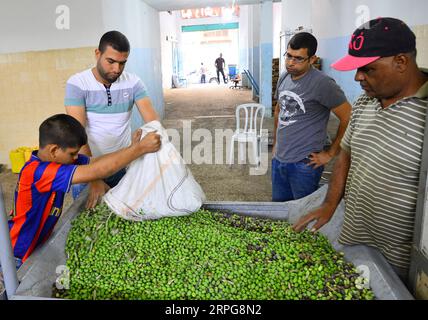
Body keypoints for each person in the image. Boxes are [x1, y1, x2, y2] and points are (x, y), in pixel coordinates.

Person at [293, 17, 428, 281]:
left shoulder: (424, 112)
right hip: (357, 239)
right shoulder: (367, 101)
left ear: (401, 62)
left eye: (367, 69)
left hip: (401, 262)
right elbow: (347, 152)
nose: (357, 77)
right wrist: (330, 203)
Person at [8, 114, 161, 265]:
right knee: (17, 286)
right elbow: (99, 170)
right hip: (19, 250)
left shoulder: (60, 161)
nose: (76, 158)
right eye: (72, 153)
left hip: (38, 240)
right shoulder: (39, 172)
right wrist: (140, 149)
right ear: (54, 150)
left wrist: (131, 149)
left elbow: (96, 161)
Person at [65, 30, 159, 209]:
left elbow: (153, 122)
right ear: (97, 54)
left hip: (122, 167)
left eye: (122, 63)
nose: (117, 69)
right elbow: (76, 136)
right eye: (111, 61)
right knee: (91, 227)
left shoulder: (133, 83)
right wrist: (94, 177)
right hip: (88, 171)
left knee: (123, 223)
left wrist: (151, 144)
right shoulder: (78, 84)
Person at [272, 32, 352, 202]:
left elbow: (348, 116)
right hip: (279, 160)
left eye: (298, 58)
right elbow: (279, 110)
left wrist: (330, 154)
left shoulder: (322, 83)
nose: (291, 63)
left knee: (303, 214)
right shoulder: (284, 77)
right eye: (289, 56)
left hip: (304, 165)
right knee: (280, 211)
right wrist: (276, 145)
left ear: (312, 59)